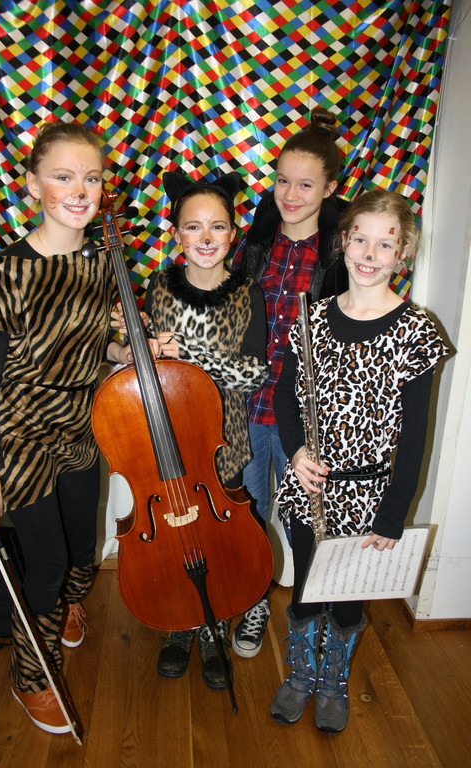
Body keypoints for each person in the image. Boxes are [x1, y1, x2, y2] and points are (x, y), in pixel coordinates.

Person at [0, 121, 133, 735]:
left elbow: (90, 345)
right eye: (63, 176)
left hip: (82, 425)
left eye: (92, 178)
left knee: (84, 546)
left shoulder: (102, 261)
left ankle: (64, 605)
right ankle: (29, 675)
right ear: (33, 184)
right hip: (22, 433)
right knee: (49, 559)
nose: (80, 190)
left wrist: (127, 351)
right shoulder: (5, 273)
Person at [271, 189, 449, 733]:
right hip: (309, 485)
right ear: (344, 241)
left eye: (385, 244)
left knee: (348, 599)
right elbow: (285, 397)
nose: (370, 254)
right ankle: (302, 673)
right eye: (361, 240)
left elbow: (414, 437)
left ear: (403, 253)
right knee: (306, 587)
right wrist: (297, 451)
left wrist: (393, 514)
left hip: (368, 495)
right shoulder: (312, 317)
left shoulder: (417, 330)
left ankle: (333, 682)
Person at [113, 170, 268, 689]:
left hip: (221, 440)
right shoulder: (159, 287)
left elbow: (253, 374)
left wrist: (192, 352)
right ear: (176, 233)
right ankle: (182, 621)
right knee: (174, 536)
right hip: (164, 438)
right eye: (193, 226)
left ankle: (213, 624)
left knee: (217, 540)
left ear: (232, 233)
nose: (205, 237)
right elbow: (146, 367)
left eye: (217, 226)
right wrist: (135, 344)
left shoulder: (248, 292)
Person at [230, 106, 349, 659]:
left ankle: (309, 617)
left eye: (305, 184)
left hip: (306, 415)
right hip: (248, 408)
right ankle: (254, 601)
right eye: (282, 180)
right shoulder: (253, 245)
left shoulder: (341, 256)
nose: (291, 194)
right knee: (250, 512)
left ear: (329, 188)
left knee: (308, 523)